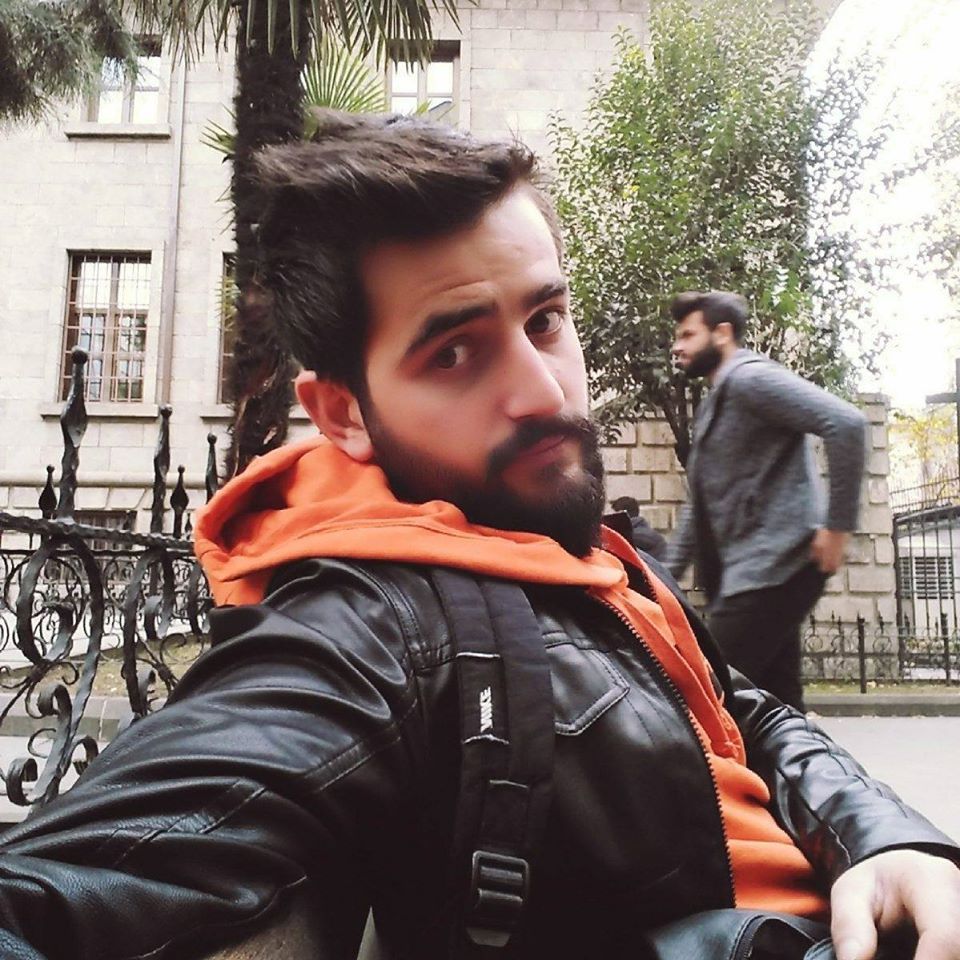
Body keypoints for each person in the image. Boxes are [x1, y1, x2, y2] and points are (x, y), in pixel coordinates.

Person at [0, 113, 955, 960]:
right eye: (454, 352)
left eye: (545, 319)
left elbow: (748, 713)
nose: (542, 391)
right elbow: (61, 889)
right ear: (342, 414)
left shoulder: (573, 550)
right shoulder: (373, 626)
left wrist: (883, 840)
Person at [665, 291, 868, 712]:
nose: (677, 346)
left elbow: (846, 423)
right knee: (778, 707)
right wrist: (662, 581)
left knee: (706, 700)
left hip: (775, 564)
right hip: (755, 572)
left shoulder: (750, 379)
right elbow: (697, 507)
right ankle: (794, 755)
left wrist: (837, 528)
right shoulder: (717, 404)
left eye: (687, 335)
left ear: (722, 334)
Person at [609, 494, 668, 559]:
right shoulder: (643, 531)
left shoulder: (633, 536)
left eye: (613, 515)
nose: (611, 519)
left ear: (622, 514)